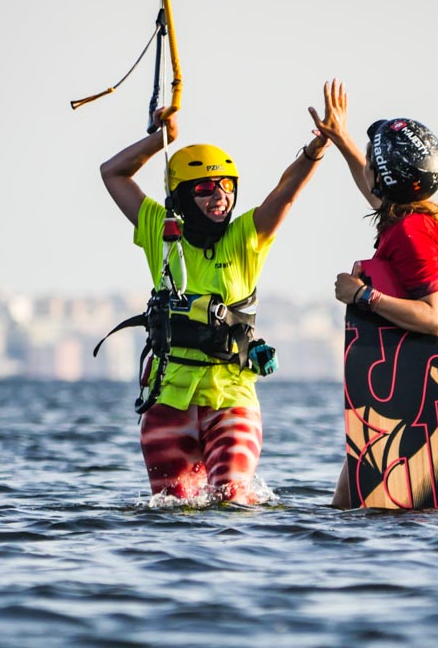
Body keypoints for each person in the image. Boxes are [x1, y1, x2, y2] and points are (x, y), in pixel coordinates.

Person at [99, 106, 329, 505]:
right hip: (168, 399)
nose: (220, 196)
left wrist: (317, 147)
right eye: (205, 188)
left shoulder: (244, 237)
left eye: (226, 185)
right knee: (173, 506)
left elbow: (285, 193)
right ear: (183, 196)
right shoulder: (160, 229)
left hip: (232, 398)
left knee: (233, 499)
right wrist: (160, 139)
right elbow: (113, 173)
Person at [309, 80, 438, 508]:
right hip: (396, 380)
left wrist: (361, 297)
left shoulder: (413, 233)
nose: (368, 169)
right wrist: (342, 138)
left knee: (346, 504)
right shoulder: (406, 213)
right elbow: (373, 183)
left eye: (374, 162)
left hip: (410, 386)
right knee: (344, 503)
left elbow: (435, 318)